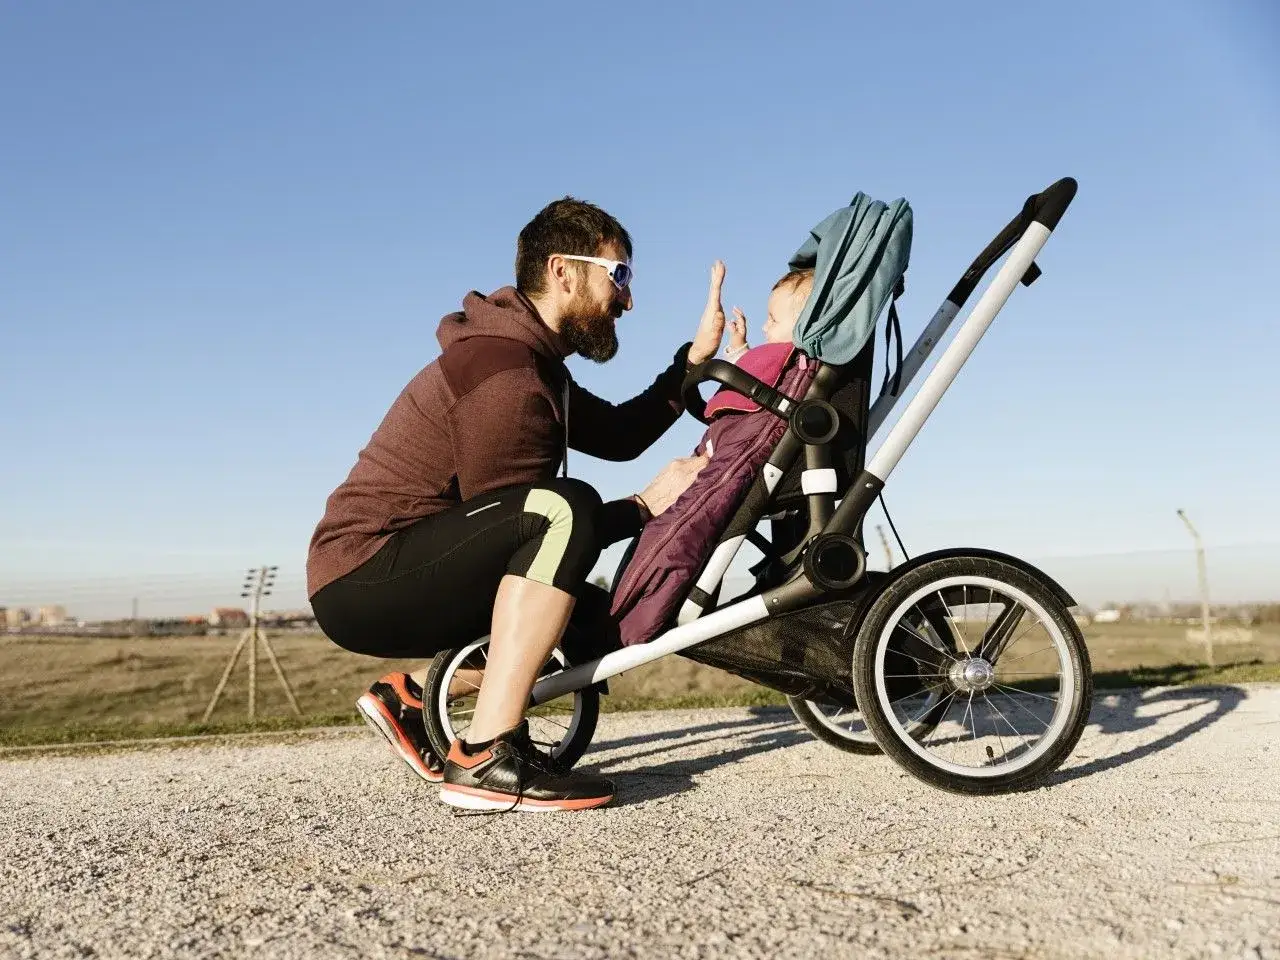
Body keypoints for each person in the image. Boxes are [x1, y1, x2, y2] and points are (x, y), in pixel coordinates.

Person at [305, 197, 733, 812]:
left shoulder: (534, 366)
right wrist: (642, 506)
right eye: (620, 276)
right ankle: (486, 753)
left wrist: (688, 365)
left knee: (597, 616)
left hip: (403, 566)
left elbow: (617, 436)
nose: (628, 299)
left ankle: (416, 700)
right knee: (563, 510)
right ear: (564, 271)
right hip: (365, 572)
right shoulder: (502, 373)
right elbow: (533, 520)